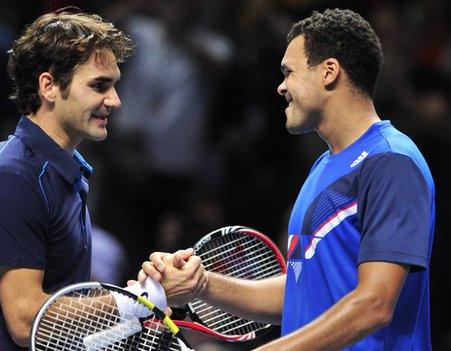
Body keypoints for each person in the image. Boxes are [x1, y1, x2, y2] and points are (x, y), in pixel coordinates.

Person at [139, 8, 435, 351]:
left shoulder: (390, 161)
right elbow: (302, 290)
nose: (280, 87)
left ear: (329, 72)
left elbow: (375, 305)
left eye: (289, 72)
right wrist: (202, 285)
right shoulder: (323, 167)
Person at [0, 9, 133, 350]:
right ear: (48, 86)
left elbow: (61, 302)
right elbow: (26, 320)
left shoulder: (60, 170)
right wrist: (136, 300)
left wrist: (133, 314)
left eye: (114, 84)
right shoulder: (11, 178)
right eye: (99, 85)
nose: (114, 100)